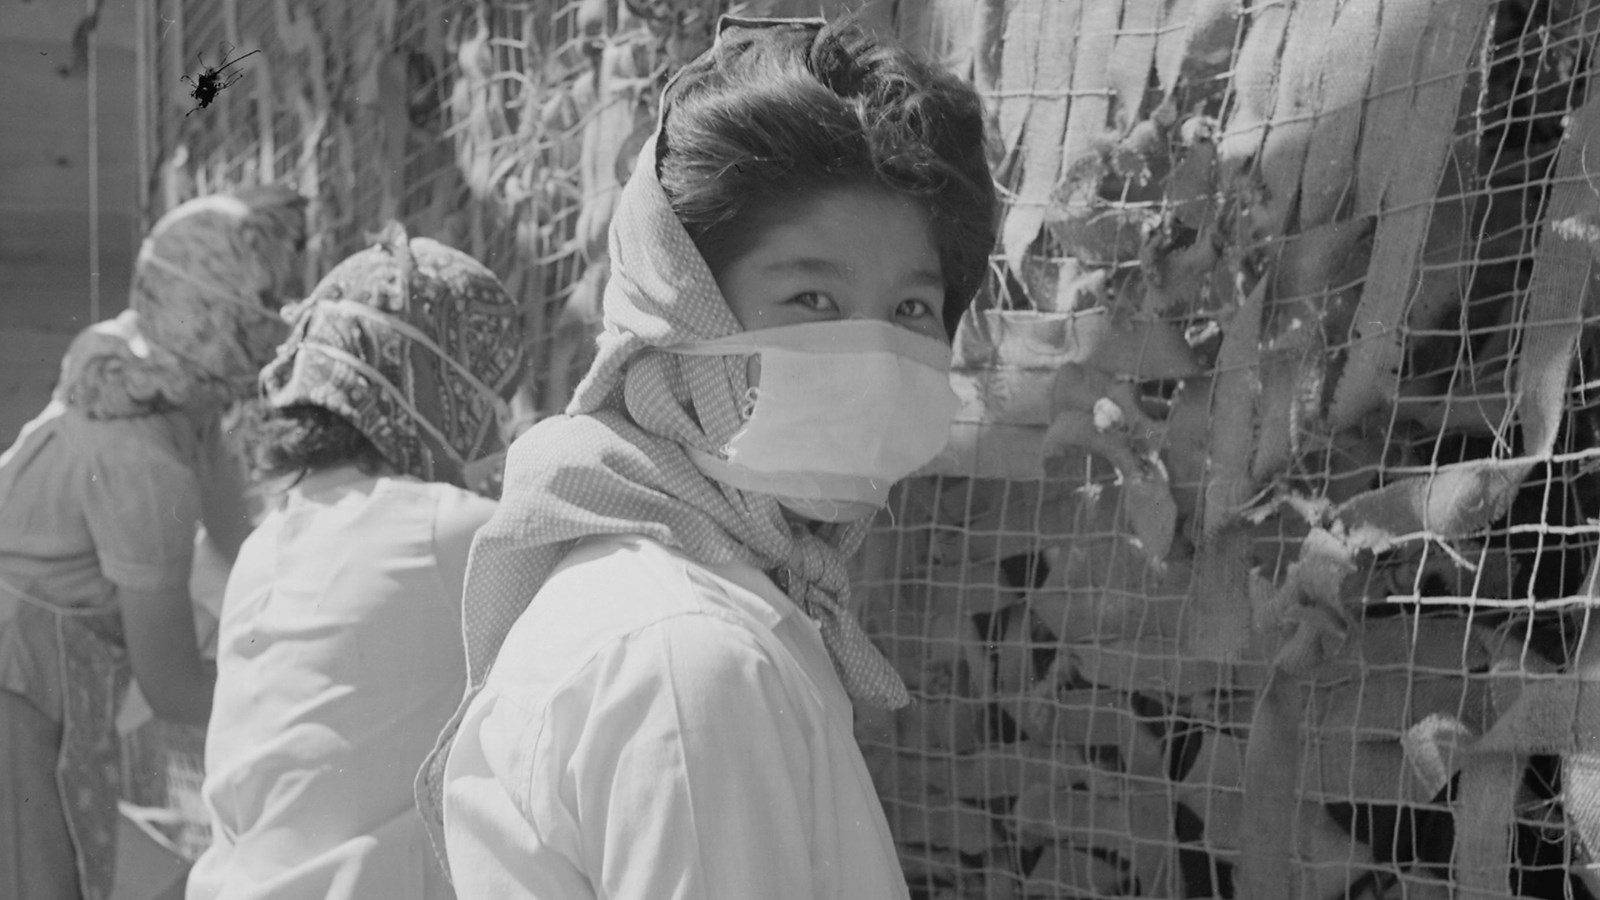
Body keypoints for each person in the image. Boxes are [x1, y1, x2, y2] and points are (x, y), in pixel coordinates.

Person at [429, 16, 996, 898]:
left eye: (913, 311)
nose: (874, 353)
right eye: (813, 296)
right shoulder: (690, 659)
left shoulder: (673, 595)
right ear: (681, 313)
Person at [186, 225, 526, 900]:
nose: (500, 427)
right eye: (496, 396)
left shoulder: (270, 540)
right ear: (442, 382)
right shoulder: (444, 528)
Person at [0, 187, 307, 900]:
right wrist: (297, 692)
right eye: (271, 304)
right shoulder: (142, 461)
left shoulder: (155, 374)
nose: (283, 323)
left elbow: (239, 538)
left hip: (45, 677)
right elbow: (171, 687)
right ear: (223, 318)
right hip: (17, 690)